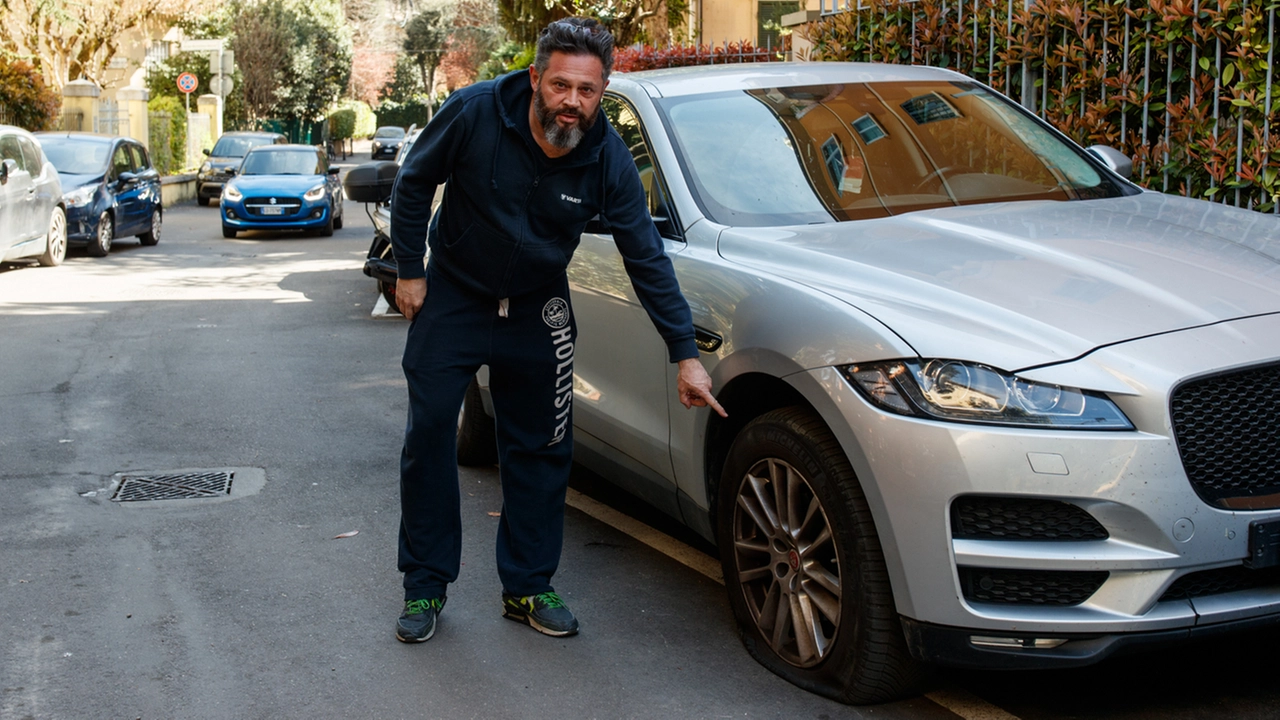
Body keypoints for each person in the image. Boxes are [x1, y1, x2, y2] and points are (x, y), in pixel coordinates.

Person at [388, 16, 726, 644]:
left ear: (602, 92)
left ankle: (526, 586)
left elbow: (644, 253)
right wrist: (410, 270)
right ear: (536, 77)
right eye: (561, 85)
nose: (572, 102)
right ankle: (425, 586)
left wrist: (686, 353)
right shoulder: (474, 111)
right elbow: (413, 181)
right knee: (430, 438)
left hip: (538, 305)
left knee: (543, 448)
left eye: (587, 91)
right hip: (456, 298)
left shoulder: (605, 156)